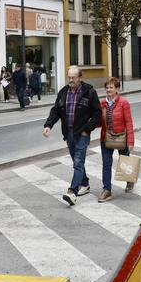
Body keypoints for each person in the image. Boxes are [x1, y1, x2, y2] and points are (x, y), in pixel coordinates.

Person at [43, 65, 102, 206]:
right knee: (77, 161)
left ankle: (72, 192)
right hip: (68, 133)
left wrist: (87, 129)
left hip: (82, 133)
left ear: (80, 78)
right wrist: (48, 125)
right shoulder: (63, 92)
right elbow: (56, 111)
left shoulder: (89, 92)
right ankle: (85, 184)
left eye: (73, 78)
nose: (70, 80)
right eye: (69, 77)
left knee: (78, 161)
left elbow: (97, 114)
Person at [97, 77, 135, 202]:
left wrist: (130, 141)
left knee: (125, 162)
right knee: (106, 164)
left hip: (121, 137)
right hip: (106, 138)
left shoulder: (124, 103)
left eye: (111, 87)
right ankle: (106, 190)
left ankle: (129, 180)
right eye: (107, 87)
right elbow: (98, 123)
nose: (108, 90)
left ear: (117, 89)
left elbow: (129, 123)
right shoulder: (102, 103)